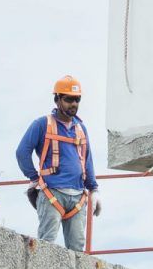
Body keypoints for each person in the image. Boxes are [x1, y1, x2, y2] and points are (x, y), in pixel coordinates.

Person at [15, 75, 101, 251]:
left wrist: (94, 189)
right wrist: (33, 177)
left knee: (77, 250)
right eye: (69, 99)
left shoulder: (80, 129)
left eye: (77, 100)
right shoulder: (42, 124)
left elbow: (87, 159)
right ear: (57, 99)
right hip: (52, 193)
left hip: (78, 196)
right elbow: (22, 152)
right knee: (47, 245)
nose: (74, 104)